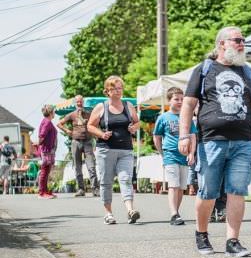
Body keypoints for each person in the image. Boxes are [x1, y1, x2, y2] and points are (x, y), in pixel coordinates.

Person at [179, 26, 251, 257]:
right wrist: (184, 135)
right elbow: (188, 104)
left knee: (237, 190)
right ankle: (202, 234)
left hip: (242, 142)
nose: (241, 44)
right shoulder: (204, 70)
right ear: (221, 44)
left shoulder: (247, 73)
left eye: (243, 41)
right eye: (237, 40)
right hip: (211, 142)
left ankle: (233, 241)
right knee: (208, 192)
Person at [87, 76, 141, 225]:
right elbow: (90, 126)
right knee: (106, 182)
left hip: (125, 150)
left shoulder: (128, 105)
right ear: (107, 91)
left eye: (120, 88)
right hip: (105, 150)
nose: (118, 91)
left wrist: (133, 127)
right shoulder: (101, 107)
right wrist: (101, 134)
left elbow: (137, 122)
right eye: (114, 89)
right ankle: (108, 213)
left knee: (126, 179)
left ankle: (130, 210)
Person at [153, 87, 196, 226]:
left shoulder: (187, 117)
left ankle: (176, 212)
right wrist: (162, 152)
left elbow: (193, 136)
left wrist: (191, 153)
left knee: (181, 186)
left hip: (184, 155)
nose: (179, 101)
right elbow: (157, 136)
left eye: (182, 99)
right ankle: (173, 213)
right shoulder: (163, 117)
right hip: (170, 154)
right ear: (169, 100)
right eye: (176, 99)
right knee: (173, 185)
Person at [57, 95, 99, 197]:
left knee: (91, 166)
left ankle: (95, 189)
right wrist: (67, 131)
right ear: (75, 103)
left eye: (81, 102)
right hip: (76, 142)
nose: (79, 104)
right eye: (77, 102)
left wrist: (96, 137)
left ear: (83, 102)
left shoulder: (88, 114)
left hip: (88, 142)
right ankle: (81, 189)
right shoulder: (72, 114)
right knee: (77, 167)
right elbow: (59, 124)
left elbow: (95, 125)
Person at [38, 105, 57, 199]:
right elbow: (42, 134)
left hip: (48, 150)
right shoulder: (47, 122)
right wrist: (40, 145)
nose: (55, 113)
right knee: (44, 171)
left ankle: (45, 191)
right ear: (50, 113)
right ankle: (41, 193)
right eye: (54, 111)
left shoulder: (47, 121)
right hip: (46, 150)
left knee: (46, 170)